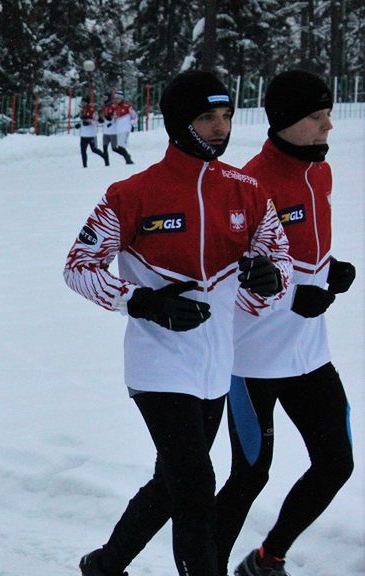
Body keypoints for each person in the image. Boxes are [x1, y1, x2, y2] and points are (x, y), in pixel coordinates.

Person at [64, 70, 292, 576]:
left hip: (216, 366)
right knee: (194, 485)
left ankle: (106, 563)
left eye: (226, 116)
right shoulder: (131, 193)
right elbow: (78, 268)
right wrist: (142, 302)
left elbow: (281, 261)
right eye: (207, 117)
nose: (220, 127)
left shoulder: (248, 190)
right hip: (157, 366)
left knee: (171, 481)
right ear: (177, 123)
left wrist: (268, 276)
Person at [215, 70, 355, 576]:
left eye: (329, 116)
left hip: (308, 352)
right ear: (286, 121)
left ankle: (266, 558)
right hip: (252, 358)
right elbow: (231, 274)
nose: (327, 127)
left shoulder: (320, 173)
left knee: (336, 462)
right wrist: (293, 294)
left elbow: (301, 250)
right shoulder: (250, 184)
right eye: (317, 118)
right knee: (249, 476)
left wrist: (329, 269)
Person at [78, 100, 109, 167]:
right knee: (83, 150)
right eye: (82, 102)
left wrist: (90, 122)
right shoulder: (82, 111)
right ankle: (84, 166)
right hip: (83, 134)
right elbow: (82, 120)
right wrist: (79, 124)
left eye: (84, 102)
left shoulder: (92, 110)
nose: (83, 103)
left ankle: (105, 157)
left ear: (87, 102)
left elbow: (98, 121)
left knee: (94, 149)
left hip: (91, 135)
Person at [109, 90, 137, 165]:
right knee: (115, 147)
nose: (117, 100)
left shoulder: (127, 107)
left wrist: (133, 125)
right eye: (116, 98)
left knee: (121, 146)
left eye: (118, 98)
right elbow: (114, 118)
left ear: (122, 99)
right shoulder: (116, 108)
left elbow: (134, 116)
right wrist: (111, 122)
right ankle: (127, 157)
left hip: (125, 129)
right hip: (118, 130)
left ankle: (128, 159)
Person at [100, 92, 118, 163]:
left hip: (112, 131)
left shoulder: (113, 106)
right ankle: (106, 163)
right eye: (104, 97)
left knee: (114, 148)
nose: (104, 99)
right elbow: (103, 116)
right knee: (104, 147)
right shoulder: (104, 106)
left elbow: (115, 116)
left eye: (106, 97)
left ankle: (126, 157)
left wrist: (111, 121)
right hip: (106, 131)